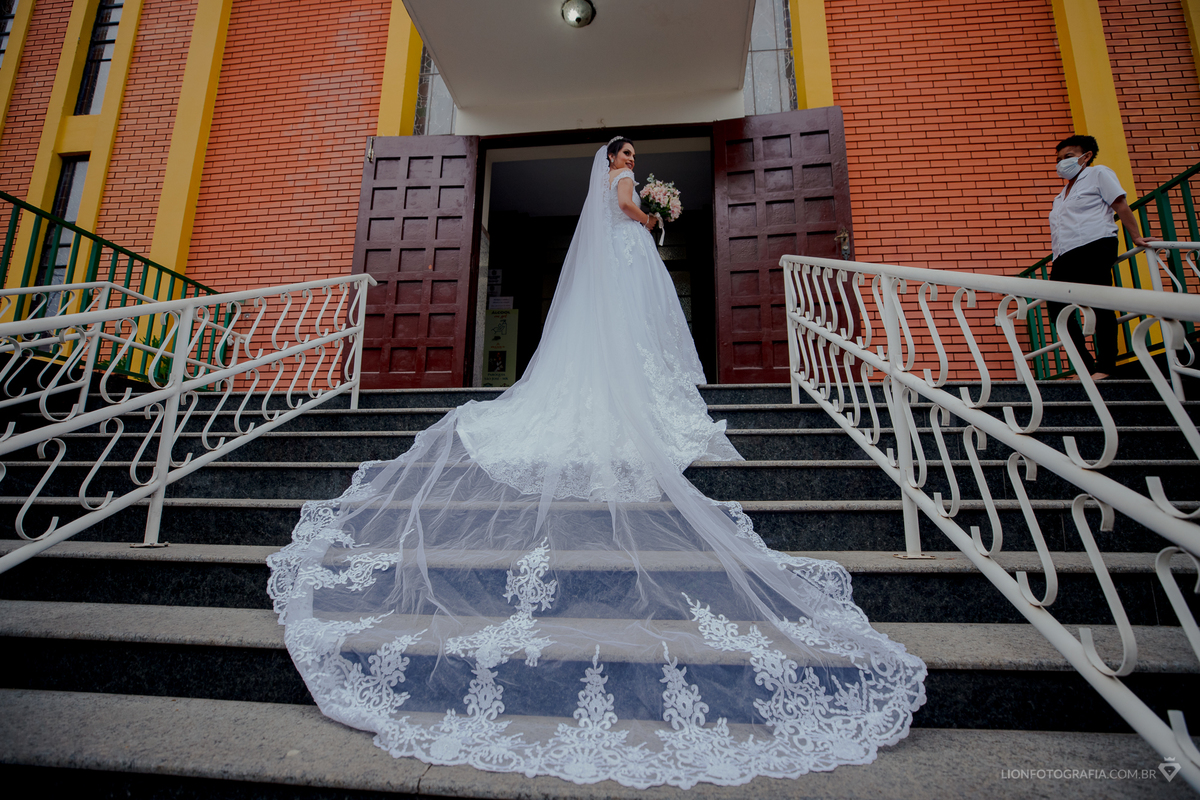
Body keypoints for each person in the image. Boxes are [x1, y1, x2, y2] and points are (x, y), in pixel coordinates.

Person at [267, 137, 926, 789]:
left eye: (636, 158)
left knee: (635, 336)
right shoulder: (619, 191)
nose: (633, 163)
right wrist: (653, 214)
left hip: (625, 264)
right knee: (635, 337)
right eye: (627, 155)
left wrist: (651, 213)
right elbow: (628, 213)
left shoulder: (611, 195)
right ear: (612, 161)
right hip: (629, 256)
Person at [1047, 134, 1151, 380]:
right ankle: (1085, 368)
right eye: (1059, 158)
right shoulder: (1061, 195)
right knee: (1057, 309)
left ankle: (1105, 367)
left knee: (1099, 304)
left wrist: (1136, 237)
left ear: (1086, 156)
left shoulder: (1098, 174)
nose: (1062, 162)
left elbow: (1121, 204)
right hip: (1064, 254)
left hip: (1094, 245)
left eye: (1068, 157)